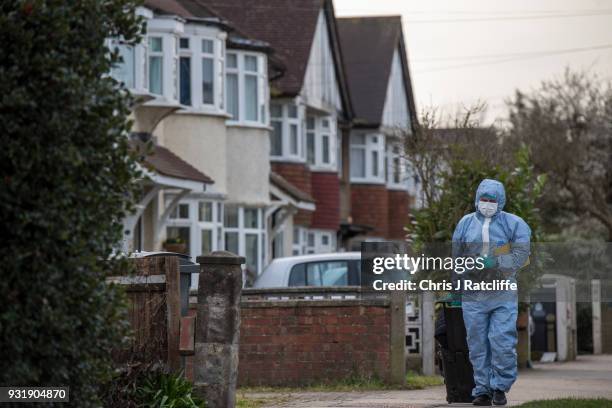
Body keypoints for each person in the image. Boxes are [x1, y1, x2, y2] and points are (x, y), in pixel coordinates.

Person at [452, 179, 531, 406]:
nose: (487, 204)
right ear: (477, 200)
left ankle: (500, 387)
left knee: (502, 341)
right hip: (473, 294)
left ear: (501, 201)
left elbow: (522, 255)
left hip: (502, 292)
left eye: (492, 200)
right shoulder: (466, 224)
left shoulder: (514, 224)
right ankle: (482, 390)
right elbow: (456, 259)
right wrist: (456, 289)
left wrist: (494, 262)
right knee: (476, 343)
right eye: (484, 200)